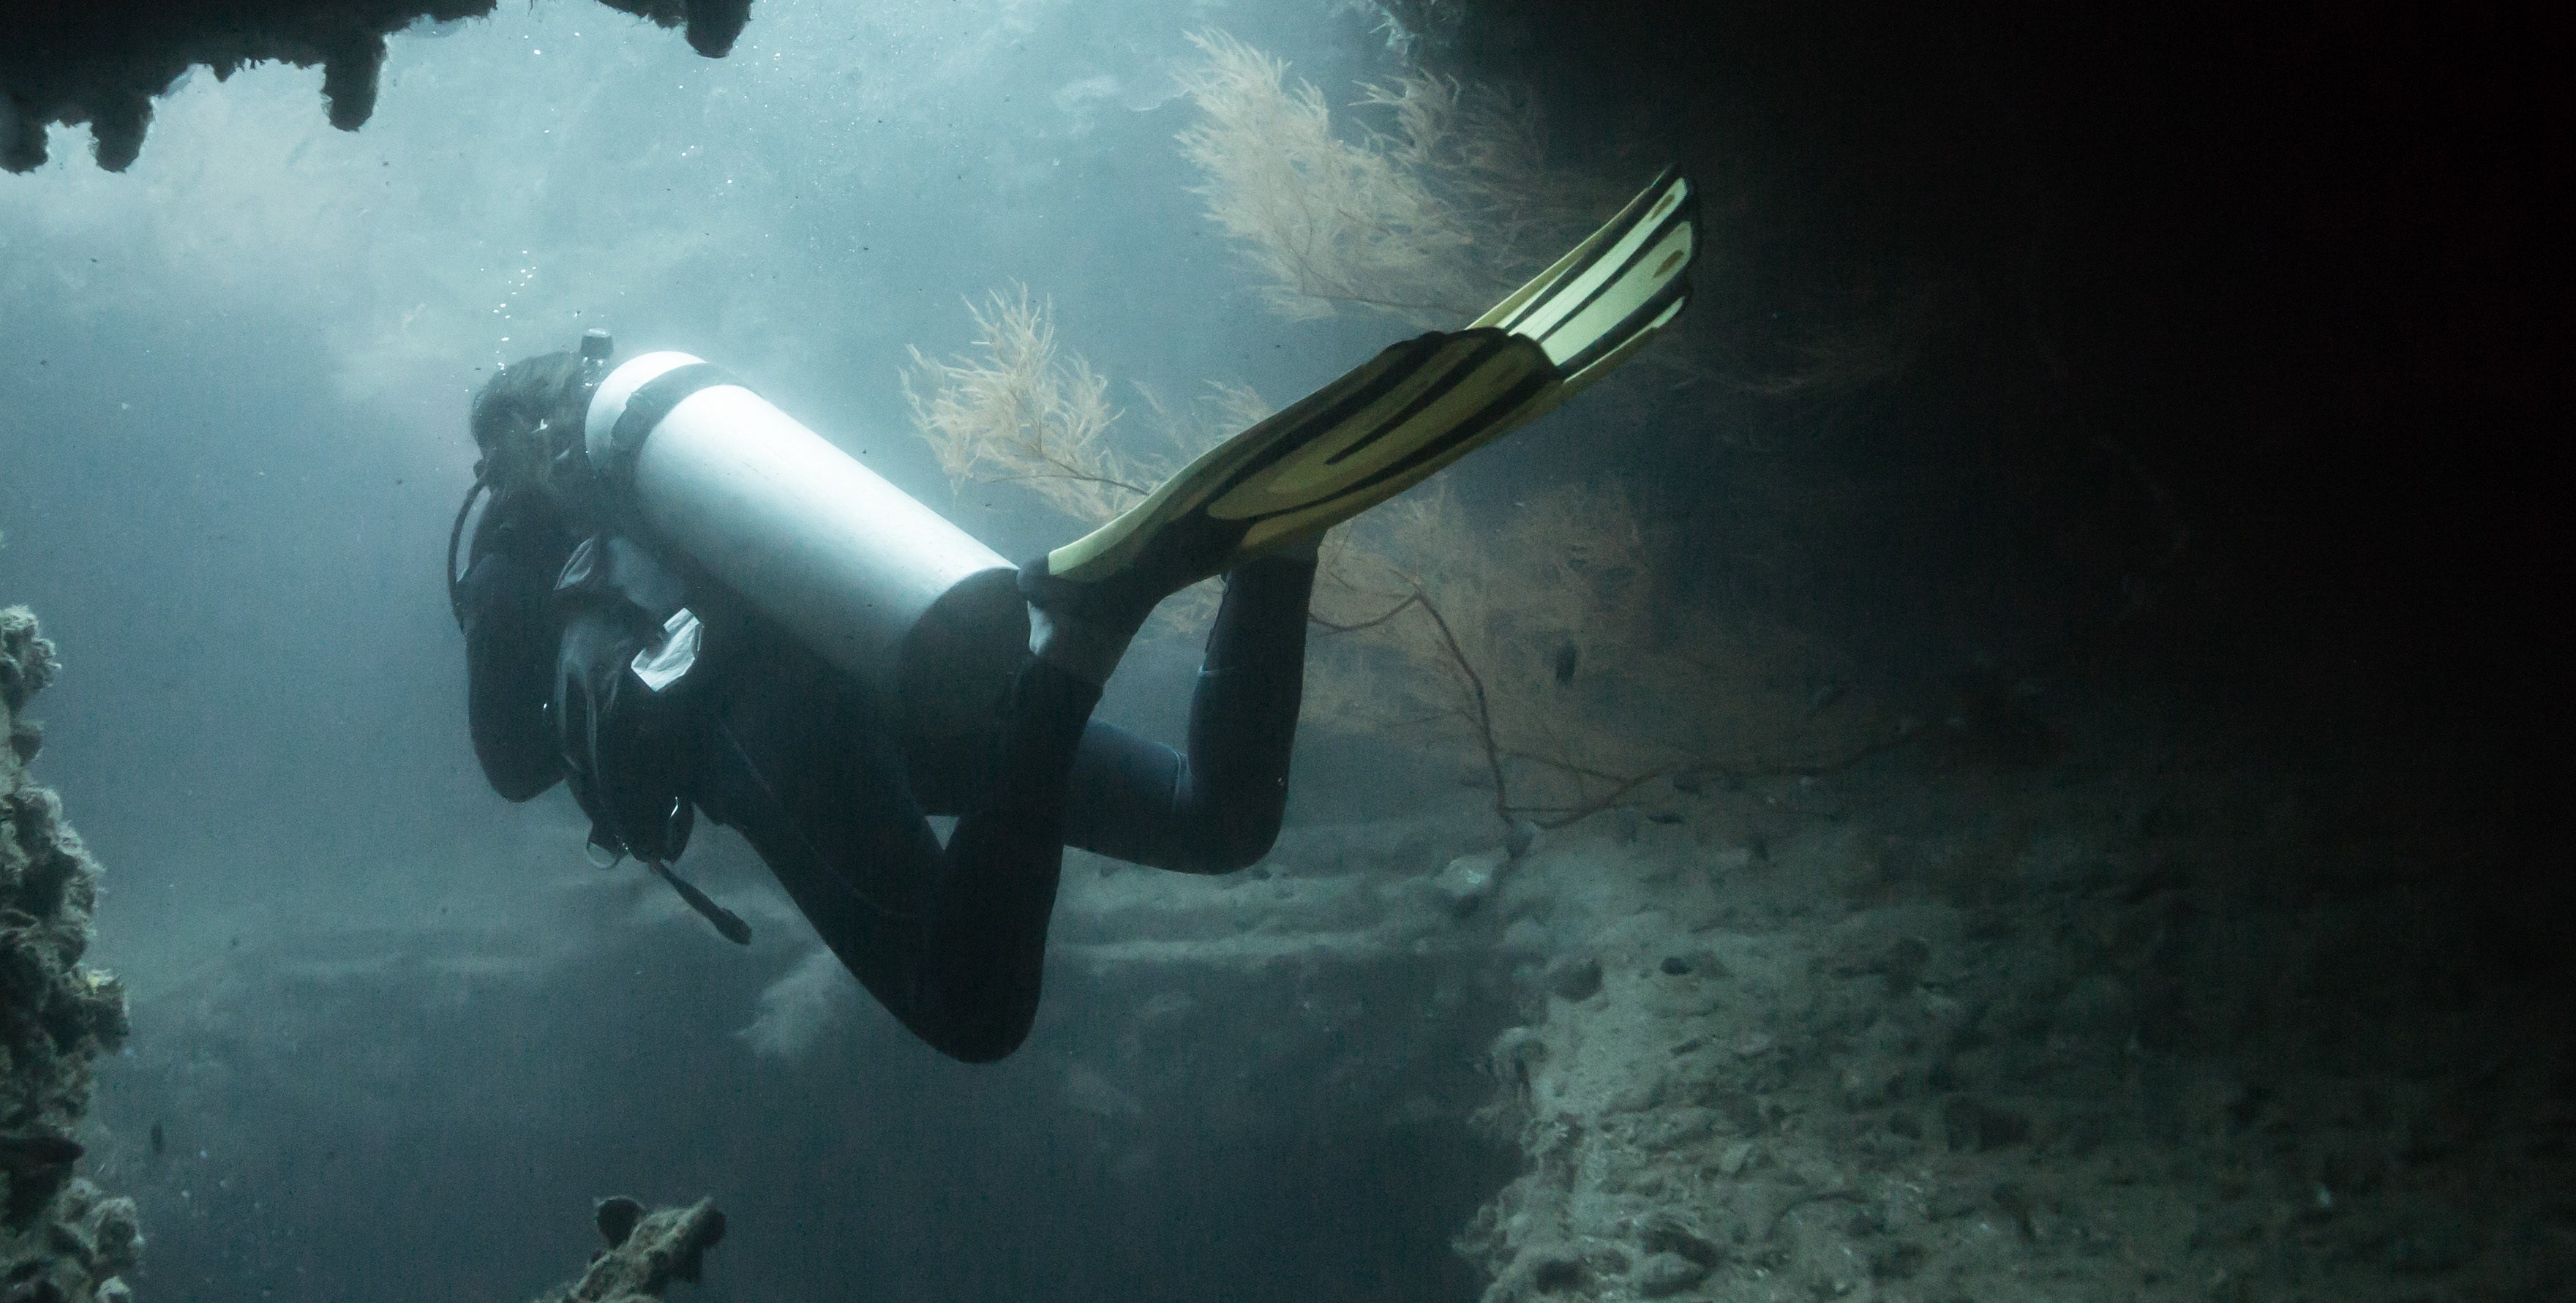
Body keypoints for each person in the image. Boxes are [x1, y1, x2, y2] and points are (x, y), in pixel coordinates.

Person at [450, 171, 1694, 1062]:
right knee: (1218, 820)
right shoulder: (684, 492)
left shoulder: (518, 541)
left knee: (971, 1006)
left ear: (505, 452)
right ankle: (1281, 554)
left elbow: (513, 766)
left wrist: (499, 607)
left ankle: (1082, 645)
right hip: (884, 633)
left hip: (766, 719)